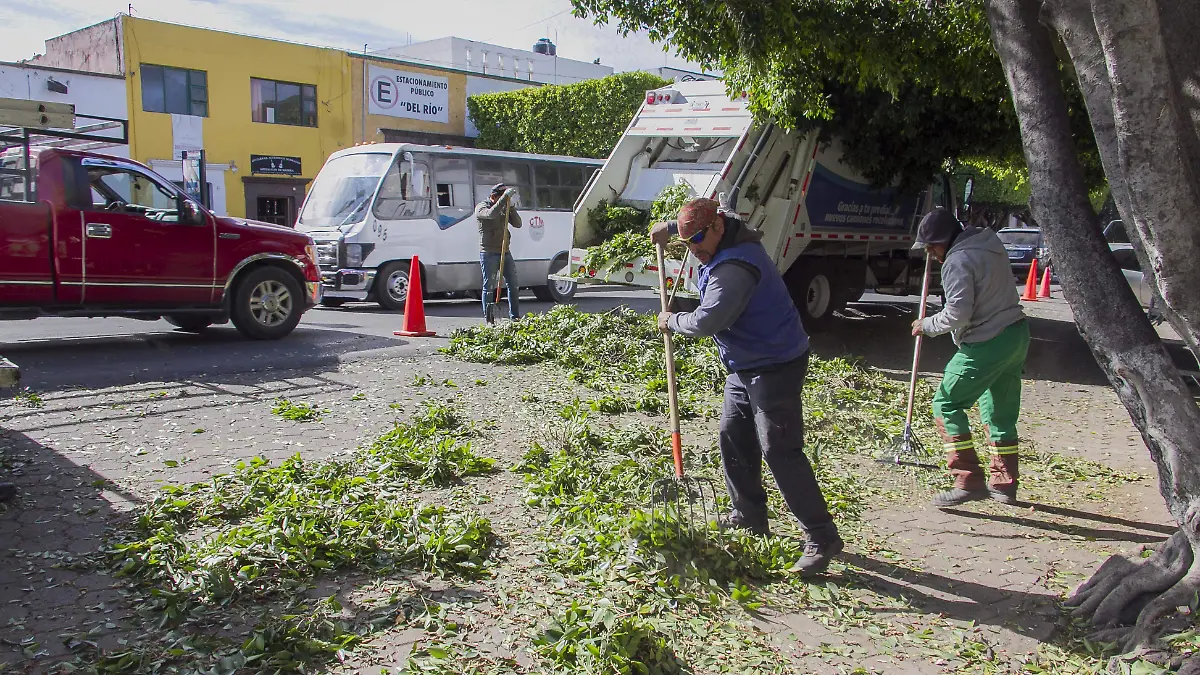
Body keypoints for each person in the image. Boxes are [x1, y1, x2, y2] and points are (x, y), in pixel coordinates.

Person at [652, 197, 843, 575]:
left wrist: (671, 321)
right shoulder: (723, 229)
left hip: (775, 365)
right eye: (688, 242)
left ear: (719, 228)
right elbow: (701, 224)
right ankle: (748, 514)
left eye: (698, 240)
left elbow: (707, 321)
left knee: (779, 448)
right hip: (745, 366)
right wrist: (672, 229)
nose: (694, 249)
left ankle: (821, 536)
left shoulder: (734, 268)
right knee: (733, 434)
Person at [911, 207, 1030, 508]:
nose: (931, 253)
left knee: (946, 403)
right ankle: (1004, 484)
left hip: (986, 341)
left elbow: (958, 313)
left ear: (945, 240)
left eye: (932, 246)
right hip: (1016, 334)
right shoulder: (990, 244)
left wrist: (926, 325)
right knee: (998, 411)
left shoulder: (957, 261)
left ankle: (968, 479)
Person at [475, 183, 523, 321]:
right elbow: (490, 215)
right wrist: (504, 200)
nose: (503, 201)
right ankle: (489, 319)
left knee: (513, 285)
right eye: (500, 198)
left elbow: (518, 224)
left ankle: (515, 317)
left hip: (505, 251)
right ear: (492, 197)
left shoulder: (505, 207)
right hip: (489, 252)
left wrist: (512, 207)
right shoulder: (482, 207)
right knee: (489, 286)